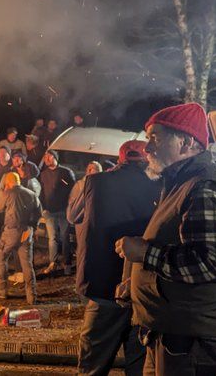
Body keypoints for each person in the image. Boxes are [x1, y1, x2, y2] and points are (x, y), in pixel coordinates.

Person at [116, 102, 216, 376]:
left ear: (187, 142)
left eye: (156, 138)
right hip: (174, 333)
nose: (147, 147)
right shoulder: (182, 182)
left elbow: (209, 264)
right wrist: (140, 282)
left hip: (189, 339)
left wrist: (145, 254)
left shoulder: (204, 186)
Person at [74, 140, 161, 376]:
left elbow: (74, 215)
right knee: (139, 364)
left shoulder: (96, 182)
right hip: (142, 290)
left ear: (120, 158)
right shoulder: (161, 185)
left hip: (104, 287)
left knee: (93, 365)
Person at [0, 171, 41, 304]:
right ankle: (32, 296)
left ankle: (1, 289)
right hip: (26, 232)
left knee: (2, 257)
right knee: (27, 265)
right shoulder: (31, 194)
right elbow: (38, 212)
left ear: (8, 182)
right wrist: (33, 227)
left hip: (11, 232)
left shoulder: (8, 193)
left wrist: (4, 192)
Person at [38, 150, 75, 275]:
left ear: (55, 158)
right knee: (52, 238)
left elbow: (73, 191)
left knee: (65, 238)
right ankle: (53, 262)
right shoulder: (43, 174)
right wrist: (43, 207)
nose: (46, 158)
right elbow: (41, 192)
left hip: (63, 210)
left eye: (49, 156)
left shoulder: (66, 172)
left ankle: (67, 264)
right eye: (45, 156)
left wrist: (69, 206)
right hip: (49, 211)